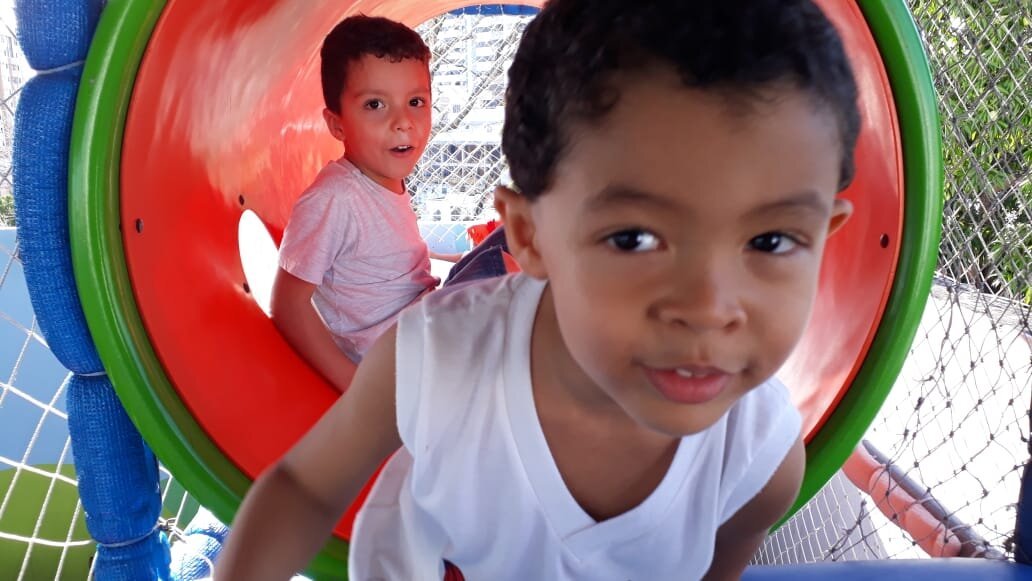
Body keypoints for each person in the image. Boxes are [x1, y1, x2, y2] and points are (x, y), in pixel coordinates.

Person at [218, 0, 861, 578]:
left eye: (771, 241)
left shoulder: (759, 464)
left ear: (825, 232)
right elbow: (303, 489)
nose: (708, 308)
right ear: (528, 236)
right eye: (633, 238)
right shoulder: (430, 361)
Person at [271, 15, 439, 392]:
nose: (403, 122)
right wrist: (354, 386)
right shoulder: (336, 198)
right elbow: (287, 305)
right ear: (337, 124)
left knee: (512, 249)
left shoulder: (383, 181)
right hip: (398, 360)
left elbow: (386, 266)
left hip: (424, 329)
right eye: (375, 104)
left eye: (415, 102)